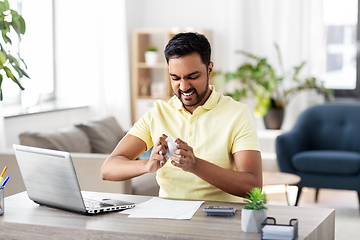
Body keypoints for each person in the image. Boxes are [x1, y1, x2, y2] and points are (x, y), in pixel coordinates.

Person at [101, 32, 262, 202]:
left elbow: (253, 186)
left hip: (218, 217)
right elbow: (108, 169)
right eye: (176, 78)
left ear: (209, 69)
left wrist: (196, 165)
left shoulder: (237, 114)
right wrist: (148, 165)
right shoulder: (158, 113)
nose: (184, 87)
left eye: (193, 77)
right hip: (168, 217)